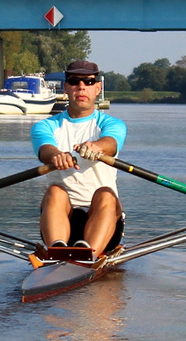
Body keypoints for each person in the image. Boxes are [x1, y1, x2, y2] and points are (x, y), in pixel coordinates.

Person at [32, 59, 127, 257]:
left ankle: (88, 254)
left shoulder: (112, 124)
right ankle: (58, 251)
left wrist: (96, 147)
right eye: (74, 81)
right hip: (62, 218)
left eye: (88, 82)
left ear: (98, 88)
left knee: (106, 193)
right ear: (66, 88)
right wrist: (57, 156)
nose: (81, 87)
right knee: (55, 191)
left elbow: (110, 143)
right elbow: (45, 149)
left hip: (104, 219)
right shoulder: (45, 126)